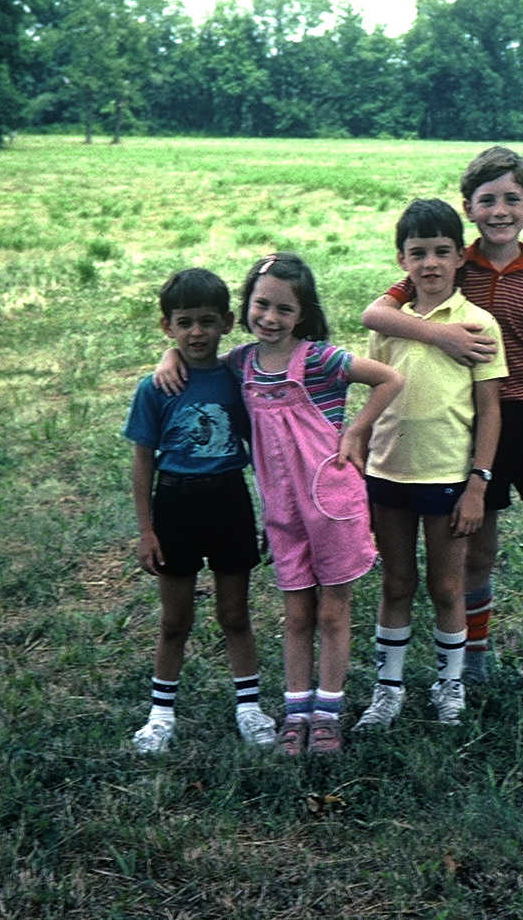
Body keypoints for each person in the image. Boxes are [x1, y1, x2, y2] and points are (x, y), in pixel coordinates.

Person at [361, 147, 523, 716]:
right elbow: (375, 315)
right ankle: (470, 668)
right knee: (475, 554)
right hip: (468, 429)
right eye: (487, 200)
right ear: (469, 208)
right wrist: (441, 336)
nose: (500, 210)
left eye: (512, 199)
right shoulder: (447, 261)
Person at [155, 253, 404, 756]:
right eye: (261, 305)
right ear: (246, 305)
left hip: (332, 505)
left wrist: (357, 431)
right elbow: (198, 362)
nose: (270, 318)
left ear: (302, 315)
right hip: (283, 513)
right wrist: (169, 356)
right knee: (295, 615)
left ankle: (327, 714)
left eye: (284, 309)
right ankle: (296, 712)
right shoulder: (242, 363)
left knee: (332, 613)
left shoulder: (320, 360)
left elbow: (390, 379)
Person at [354, 198, 508, 730]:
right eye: (418, 253)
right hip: (387, 472)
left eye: (442, 251)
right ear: (402, 260)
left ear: (460, 256)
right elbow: (375, 393)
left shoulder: (478, 323)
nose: (431, 263)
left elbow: (490, 411)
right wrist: (361, 454)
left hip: (447, 477)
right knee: (396, 584)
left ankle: (449, 686)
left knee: (447, 587)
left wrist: (478, 484)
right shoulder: (389, 325)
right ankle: (388, 690)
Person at [123, 268, 277, 753]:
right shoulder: (156, 387)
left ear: (228, 322)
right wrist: (146, 530)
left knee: (235, 613)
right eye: (184, 322)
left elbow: (262, 452)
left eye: (207, 321)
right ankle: (160, 715)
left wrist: (272, 515)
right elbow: (143, 462)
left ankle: (249, 708)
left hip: (229, 501)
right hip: (175, 506)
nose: (196, 333)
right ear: (167, 326)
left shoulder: (239, 381)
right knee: (175, 620)